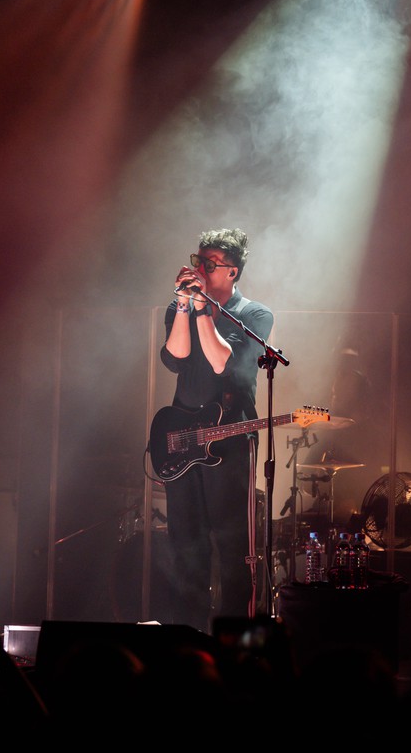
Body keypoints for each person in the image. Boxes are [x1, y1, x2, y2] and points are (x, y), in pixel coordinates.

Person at [159, 227, 274, 634]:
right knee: (185, 544)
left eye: (210, 264)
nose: (200, 270)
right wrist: (184, 306)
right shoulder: (181, 307)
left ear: (232, 272)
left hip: (229, 442)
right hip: (184, 439)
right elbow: (175, 358)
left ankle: (233, 641)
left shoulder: (254, 315)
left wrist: (204, 311)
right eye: (198, 261)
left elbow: (222, 361)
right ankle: (187, 636)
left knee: (231, 545)